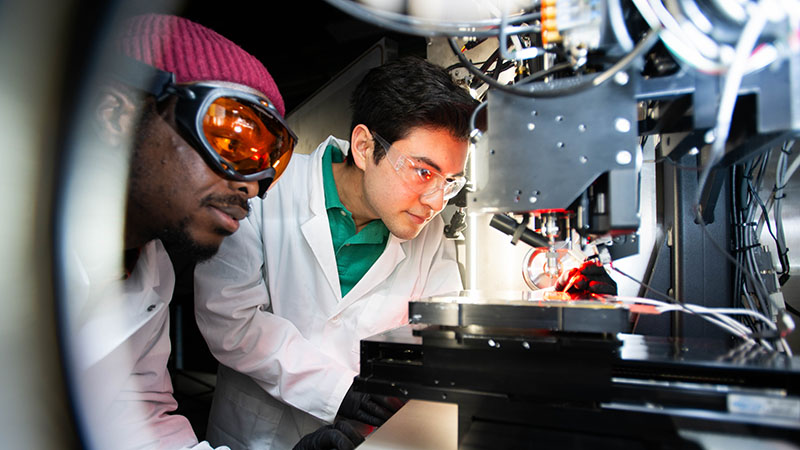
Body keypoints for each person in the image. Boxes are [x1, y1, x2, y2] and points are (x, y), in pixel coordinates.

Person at [69, 13, 362, 450]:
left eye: (269, 163)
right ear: (116, 115)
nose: (252, 186)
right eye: (231, 140)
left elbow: (139, 418)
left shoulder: (152, 271)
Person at [193, 56, 478, 449]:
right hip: (255, 436)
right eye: (423, 172)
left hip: (360, 440)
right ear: (363, 147)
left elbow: (441, 331)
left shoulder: (428, 235)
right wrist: (341, 392)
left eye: (449, 182)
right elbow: (228, 319)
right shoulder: (269, 189)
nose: (435, 201)